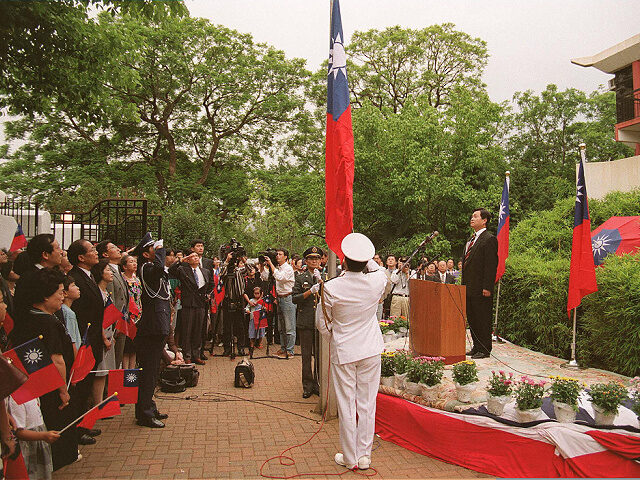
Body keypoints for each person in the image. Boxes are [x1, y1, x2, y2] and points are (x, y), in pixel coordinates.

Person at [315, 233, 387, 471]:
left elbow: (322, 323)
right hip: (370, 349)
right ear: (366, 261)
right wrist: (368, 259)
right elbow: (379, 271)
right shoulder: (376, 281)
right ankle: (364, 455)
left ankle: (350, 457)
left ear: (343, 261)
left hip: (345, 350)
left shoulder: (332, 287)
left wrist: (335, 339)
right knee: (367, 403)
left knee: (347, 404)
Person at [8, 268, 78, 469]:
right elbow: (57, 360)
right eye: (59, 291)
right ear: (45, 295)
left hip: (34, 385)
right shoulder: (46, 322)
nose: (62, 296)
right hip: (50, 386)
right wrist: (63, 390)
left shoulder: (29, 317)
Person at [66, 239, 103, 445]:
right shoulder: (75, 278)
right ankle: (77, 429)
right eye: (91, 250)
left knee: (87, 384)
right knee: (80, 387)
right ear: (81, 257)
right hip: (84, 340)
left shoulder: (88, 276)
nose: (96, 252)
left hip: (94, 338)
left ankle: (84, 423)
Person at [133, 233, 170, 428]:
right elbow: (158, 269)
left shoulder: (150, 267)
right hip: (153, 324)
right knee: (148, 371)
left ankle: (148, 406)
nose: (155, 253)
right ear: (146, 254)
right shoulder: (147, 268)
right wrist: (160, 251)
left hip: (158, 321)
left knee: (153, 370)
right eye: (152, 250)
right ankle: (145, 413)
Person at [461, 208, 498, 359]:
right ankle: (476, 347)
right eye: (472, 216)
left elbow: (490, 265)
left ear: (484, 220)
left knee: (482, 318)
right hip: (469, 287)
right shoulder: (471, 240)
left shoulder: (489, 239)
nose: (472, 218)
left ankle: (484, 349)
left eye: (476, 216)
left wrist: (487, 287)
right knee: (473, 318)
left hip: (481, 288)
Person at [168, 252, 211, 365]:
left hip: (201, 303)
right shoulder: (183, 270)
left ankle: (196, 355)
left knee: (198, 330)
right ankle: (187, 355)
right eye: (192, 256)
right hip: (188, 303)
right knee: (187, 330)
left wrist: (207, 294)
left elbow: (211, 284)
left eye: (197, 256)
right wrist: (182, 260)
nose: (195, 258)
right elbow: (171, 270)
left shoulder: (205, 271)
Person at [292, 246, 323, 398]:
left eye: (316, 258)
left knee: (319, 355)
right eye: (311, 258)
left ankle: (317, 384)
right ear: (306, 260)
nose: (314, 261)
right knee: (306, 356)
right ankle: (307, 385)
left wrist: (322, 282)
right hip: (305, 320)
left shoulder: (324, 276)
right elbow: (294, 298)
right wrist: (309, 292)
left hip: (320, 322)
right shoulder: (300, 277)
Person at [6, 396, 59, 480]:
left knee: (43, 473)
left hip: (39, 441)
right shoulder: (16, 400)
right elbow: (19, 432)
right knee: (31, 475)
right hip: (29, 447)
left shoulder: (33, 395)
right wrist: (43, 436)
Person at [96, 240, 129, 370]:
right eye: (113, 248)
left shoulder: (117, 269)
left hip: (122, 321)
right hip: (114, 325)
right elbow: (112, 301)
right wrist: (115, 324)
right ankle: (108, 389)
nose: (118, 249)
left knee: (118, 358)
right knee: (111, 361)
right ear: (105, 254)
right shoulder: (107, 272)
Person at [90, 260, 117, 408]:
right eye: (108, 270)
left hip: (109, 334)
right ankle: (97, 404)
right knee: (100, 372)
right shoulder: (97, 292)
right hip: (101, 337)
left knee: (107, 371)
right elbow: (97, 319)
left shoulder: (108, 291)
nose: (111, 273)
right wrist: (103, 338)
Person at [263, 248, 295, 358]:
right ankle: (283, 349)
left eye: (280, 254)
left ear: (286, 257)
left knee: (289, 326)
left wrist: (271, 264)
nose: (277, 256)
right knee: (281, 327)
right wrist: (264, 265)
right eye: (276, 254)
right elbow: (265, 277)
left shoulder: (288, 268)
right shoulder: (278, 268)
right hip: (280, 298)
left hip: (288, 298)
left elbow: (280, 277)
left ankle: (290, 351)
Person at [120, 254, 141, 369]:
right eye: (131, 262)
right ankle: (125, 370)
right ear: (124, 266)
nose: (134, 264)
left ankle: (132, 371)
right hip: (126, 317)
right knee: (126, 348)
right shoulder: (121, 279)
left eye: (135, 262)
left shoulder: (137, 280)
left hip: (137, 316)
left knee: (134, 347)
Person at [61, 276, 82, 352]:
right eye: (73, 285)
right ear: (64, 293)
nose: (78, 288)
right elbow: (72, 341)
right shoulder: (68, 313)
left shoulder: (64, 310)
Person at [245, 286, 267, 352]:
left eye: (258, 293)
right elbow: (247, 307)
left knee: (261, 332)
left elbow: (265, 307)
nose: (256, 295)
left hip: (261, 319)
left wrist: (264, 308)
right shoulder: (251, 300)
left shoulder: (262, 301)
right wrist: (247, 310)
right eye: (255, 293)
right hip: (253, 319)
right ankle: (252, 344)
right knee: (252, 332)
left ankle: (259, 343)